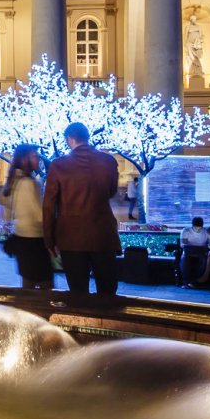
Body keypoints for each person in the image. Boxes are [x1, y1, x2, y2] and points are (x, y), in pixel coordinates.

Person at [43, 121, 121, 300]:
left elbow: (48, 206)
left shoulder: (59, 165)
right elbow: (111, 191)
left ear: (70, 139)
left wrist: (49, 240)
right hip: (103, 235)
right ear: (87, 138)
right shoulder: (108, 161)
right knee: (107, 291)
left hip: (71, 237)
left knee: (78, 293)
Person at [0, 145, 51, 290]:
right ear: (24, 160)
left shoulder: (14, 181)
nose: (38, 159)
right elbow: (39, 216)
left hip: (21, 239)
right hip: (34, 240)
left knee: (28, 284)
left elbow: (4, 202)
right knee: (44, 286)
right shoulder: (29, 183)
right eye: (34, 156)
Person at [179, 217, 210, 286]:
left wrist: (207, 247)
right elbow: (183, 244)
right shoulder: (186, 231)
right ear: (192, 226)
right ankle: (186, 282)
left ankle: (194, 281)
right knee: (185, 260)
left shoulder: (206, 232)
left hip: (201, 254)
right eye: (196, 228)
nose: (198, 230)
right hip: (188, 254)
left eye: (200, 228)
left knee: (202, 261)